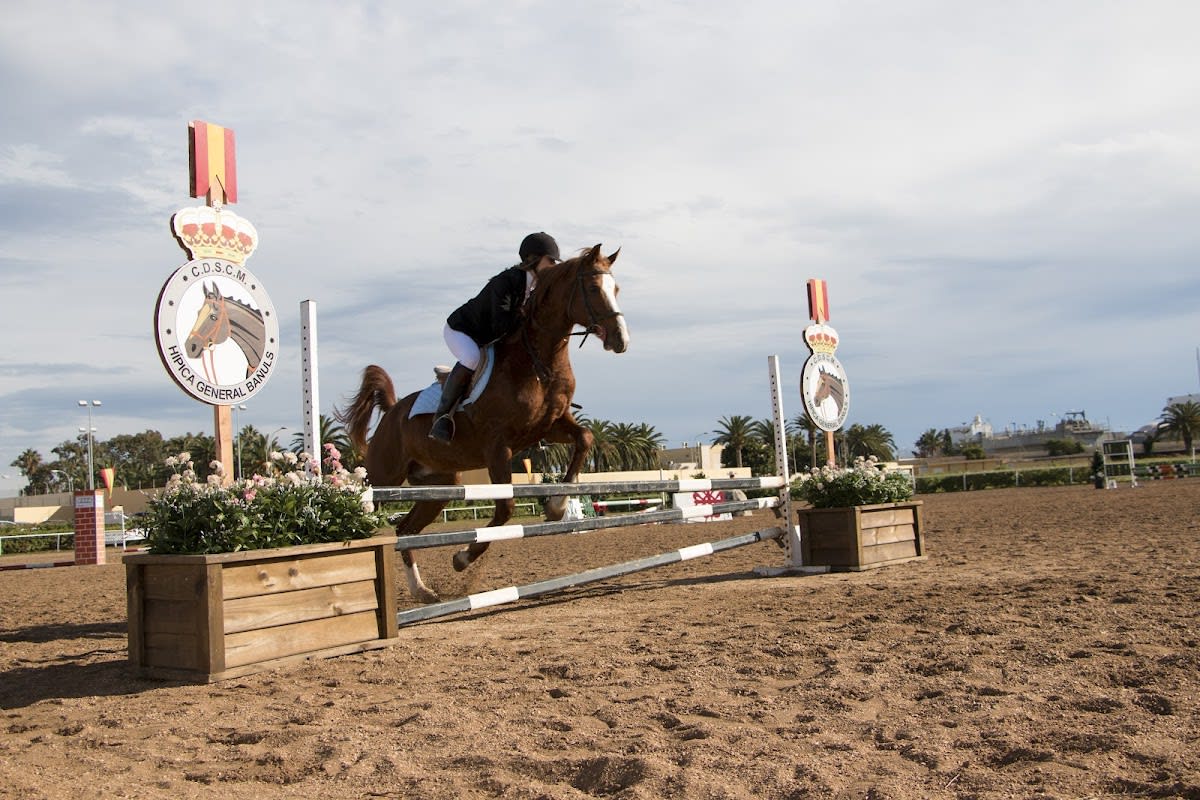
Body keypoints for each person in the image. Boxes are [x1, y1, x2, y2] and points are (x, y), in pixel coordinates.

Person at [428, 232, 561, 443]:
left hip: (490, 337)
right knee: (472, 357)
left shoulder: (536, 286)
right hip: (462, 330)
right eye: (551, 260)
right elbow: (502, 324)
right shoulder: (506, 282)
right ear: (533, 258)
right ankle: (441, 417)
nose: (554, 266)